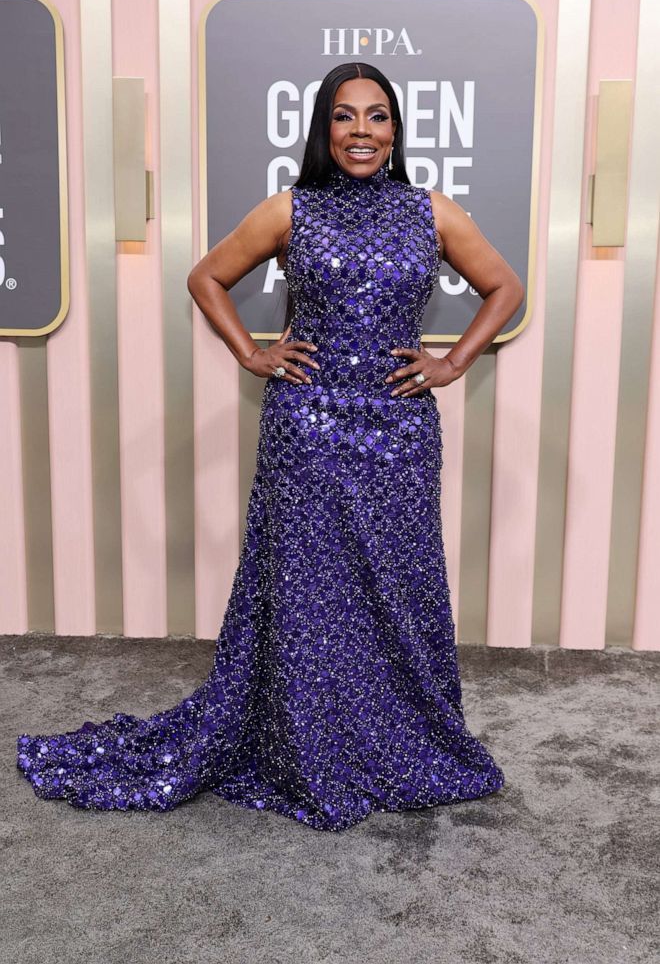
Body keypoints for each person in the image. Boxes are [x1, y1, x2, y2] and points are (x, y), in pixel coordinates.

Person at [16, 62, 524, 832]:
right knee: (309, 590)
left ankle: (395, 736)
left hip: (399, 429)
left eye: (378, 116)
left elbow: (506, 288)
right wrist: (251, 354)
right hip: (307, 428)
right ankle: (308, 744)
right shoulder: (292, 209)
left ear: (395, 131)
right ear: (324, 128)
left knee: (394, 580)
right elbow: (206, 276)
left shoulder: (431, 211)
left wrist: (452, 362)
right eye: (345, 117)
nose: (362, 131)